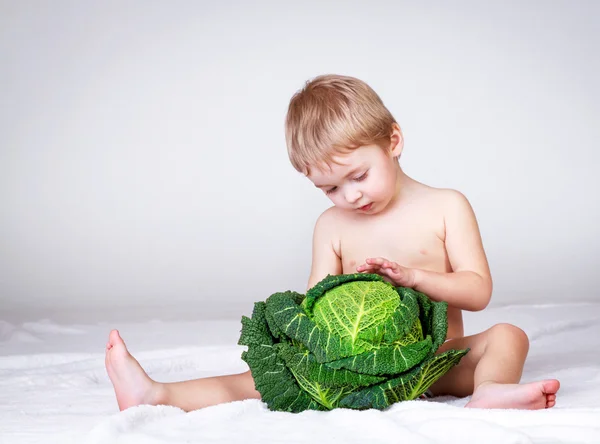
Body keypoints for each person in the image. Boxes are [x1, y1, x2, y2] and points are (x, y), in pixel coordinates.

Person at [105, 74, 560, 412]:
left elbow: (479, 292)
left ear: (393, 141)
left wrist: (414, 278)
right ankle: (156, 394)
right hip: (352, 367)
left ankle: (489, 392)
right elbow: (315, 307)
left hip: (431, 364)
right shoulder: (331, 226)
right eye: (331, 189)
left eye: (358, 176)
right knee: (259, 381)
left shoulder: (447, 206)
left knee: (508, 335)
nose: (350, 196)